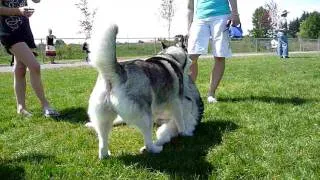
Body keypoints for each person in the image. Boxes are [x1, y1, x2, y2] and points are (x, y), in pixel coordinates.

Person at [0, 0, 59, 117]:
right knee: (34, 66)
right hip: (9, 31)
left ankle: (21, 108)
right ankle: (45, 105)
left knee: (20, 69)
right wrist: (19, 11)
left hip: (24, 30)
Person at [186, 0, 241, 103]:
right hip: (200, 18)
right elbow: (190, 7)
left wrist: (235, 14)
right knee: (191, 57)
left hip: (222, 16)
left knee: (219, 56)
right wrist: (188, 28)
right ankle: (188, 92)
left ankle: (211, 93)